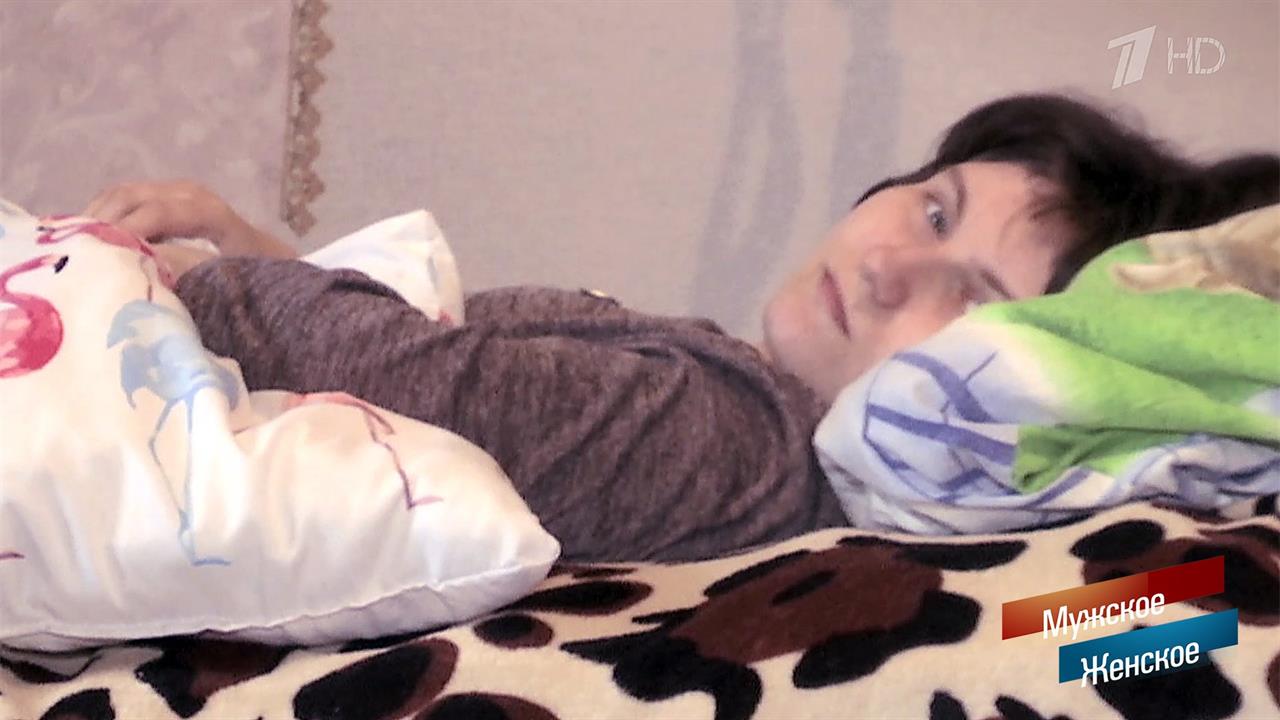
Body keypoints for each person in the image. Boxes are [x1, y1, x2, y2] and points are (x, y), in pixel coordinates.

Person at [82, 93, 1280, 563]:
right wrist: (272, 262)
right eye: (931, 206)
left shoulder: (735, 437)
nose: (886, 266)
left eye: (970, 300)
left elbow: (388, 380)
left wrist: (189, 287)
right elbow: (404, 408)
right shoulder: (741, 400)